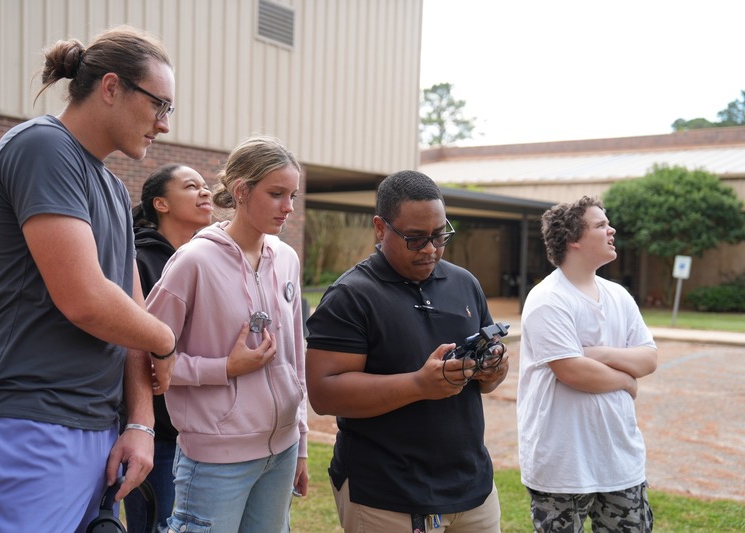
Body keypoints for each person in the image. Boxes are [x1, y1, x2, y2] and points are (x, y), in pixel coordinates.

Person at [0, 26, 178, 532]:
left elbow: (131, 320)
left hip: (98, 431)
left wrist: (139, 422)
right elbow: (86, 301)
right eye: (159, 105)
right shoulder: (42, 147)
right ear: (112, 87)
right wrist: (166, 340)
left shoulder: (116, 191)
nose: (163, 125)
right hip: (26, 426)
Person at [305, 169, 510, 533]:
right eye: (415, 239)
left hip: (472, 488)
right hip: (388, 495)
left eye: (439, 235)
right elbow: (324, 393)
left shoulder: (464, 283)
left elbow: (486, 383)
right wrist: (418, 384)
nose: (431, 248)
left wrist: (492, 371)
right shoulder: (350, 296)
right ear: (380, 228)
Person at [145, 135, 309, 532]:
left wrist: (300, 443)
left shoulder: (286, 258)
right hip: (215, 459)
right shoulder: (193, 261)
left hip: (282, 452)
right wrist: (223, 368)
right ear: (241, 190)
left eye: (293, 195)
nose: (288, 207)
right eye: (276, 194)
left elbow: (296, 357)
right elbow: (145, 357)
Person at [516, 196, 657, 532]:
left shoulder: (619, 295)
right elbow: (573, 372)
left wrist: (600, 353)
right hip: (562, 467)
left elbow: (648, 357)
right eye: (600, 225)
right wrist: (625, 381)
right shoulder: (548, 299)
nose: (612, 230)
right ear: (573, 240)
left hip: (620, 461)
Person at [123, 164, 214, 532]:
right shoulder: (140, 262)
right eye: (192, 186)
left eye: (206, 186)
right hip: (159, 435)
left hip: (199, 432)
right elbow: (136, 351)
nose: (206, 192)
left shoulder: (203, 261)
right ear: (160, 203)